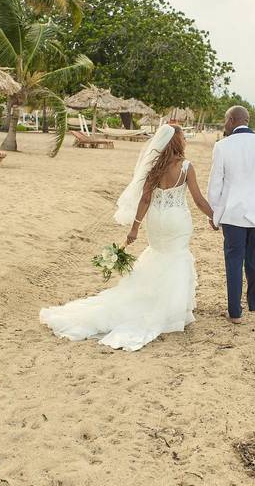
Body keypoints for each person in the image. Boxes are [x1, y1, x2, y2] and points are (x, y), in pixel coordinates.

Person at [39, 125, 215, 351]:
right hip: (176, 220)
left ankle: (157, 300)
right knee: (177, 257)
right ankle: (172, 309)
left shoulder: (154, 167)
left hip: (156, 222)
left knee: (159, 254)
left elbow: (145, 200)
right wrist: (215, 217)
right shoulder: (186, 167)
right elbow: (199, 200)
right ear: (178, 142)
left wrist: (135, 228)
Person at [207, 106, 255, 324]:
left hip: (232, 212)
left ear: (231, 120)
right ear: (247, 121)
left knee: (233, 259)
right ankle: (254, 303)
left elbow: (215, 184)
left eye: (224, 120)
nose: (224, 125)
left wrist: (214, 213)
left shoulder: (222, 146)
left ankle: (234, 312)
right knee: (254, 256)